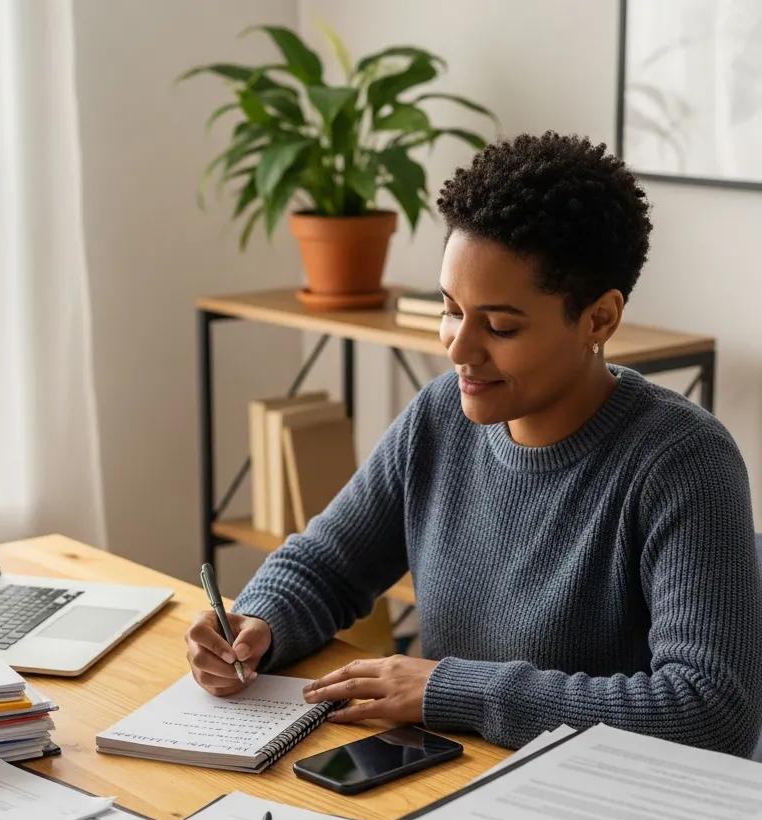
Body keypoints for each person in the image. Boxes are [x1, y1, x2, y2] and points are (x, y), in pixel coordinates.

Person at [185, 131, 762, 756]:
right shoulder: (440, 417)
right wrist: (256, 627)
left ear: (599, 318)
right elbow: (327, 564)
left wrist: (453, 691)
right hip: (454, 771)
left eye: (500, 325)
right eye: (450, 308)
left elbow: (707, 708)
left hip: (607, 811)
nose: (457, 348)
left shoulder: (682, 461)